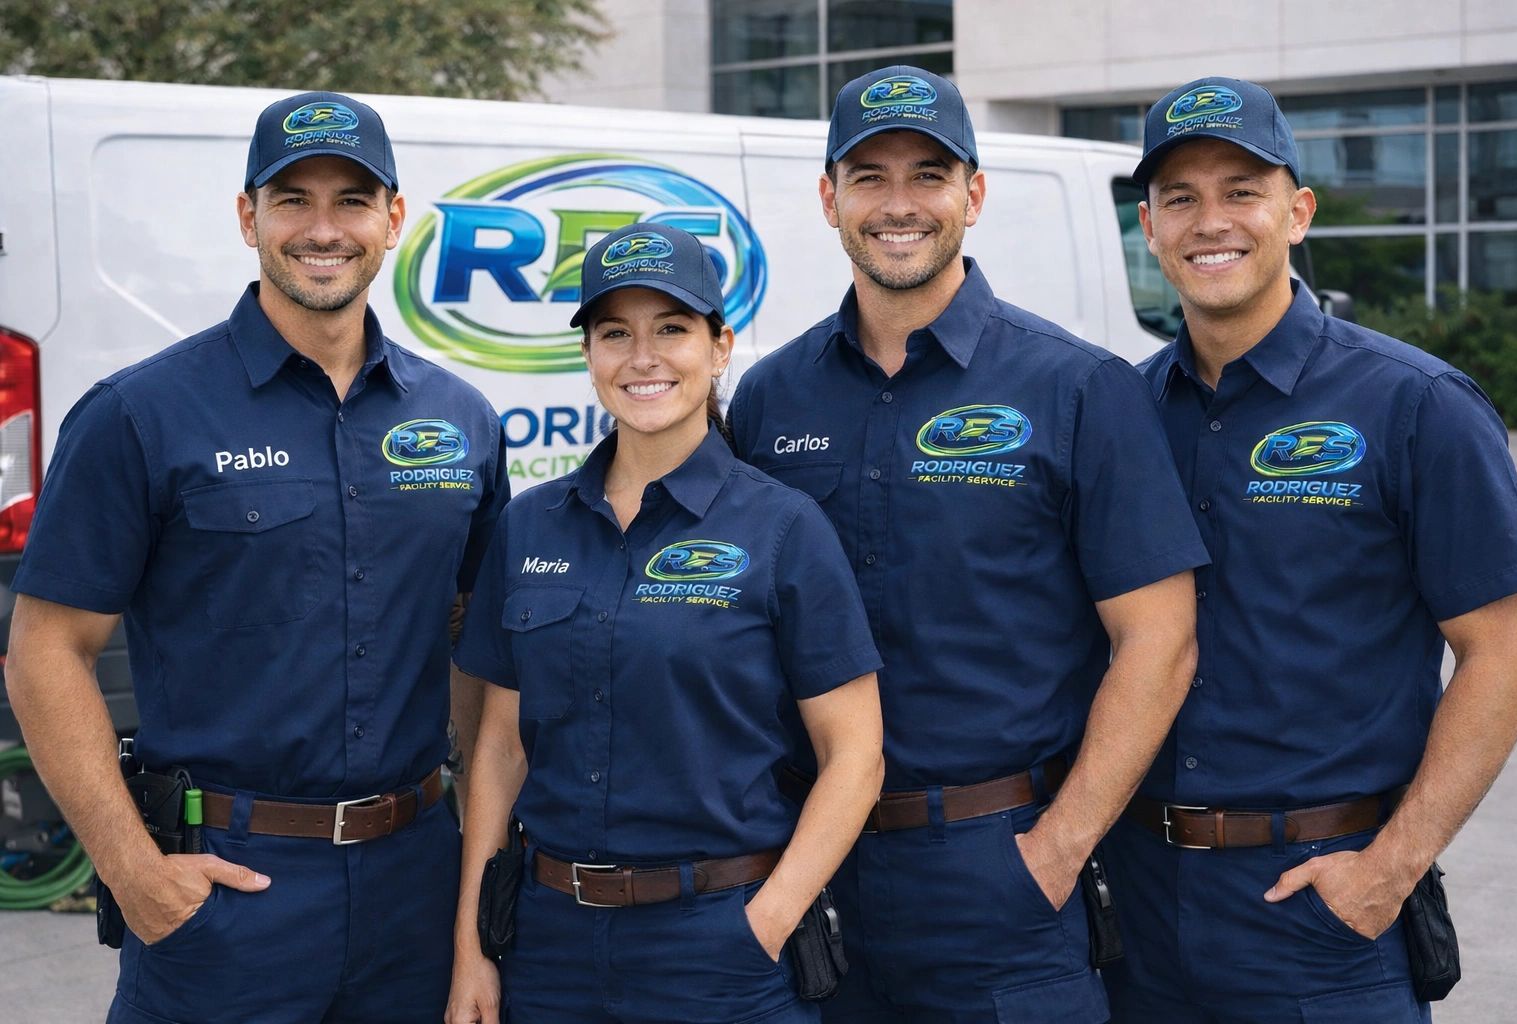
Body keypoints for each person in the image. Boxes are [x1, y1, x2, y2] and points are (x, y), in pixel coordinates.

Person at [3, 91, 509, 1023]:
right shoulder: (139, 415)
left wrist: (479, 873)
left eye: (353, 199)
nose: (324, 228)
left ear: (394, 219)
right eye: (292, 199)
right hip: (227, 897)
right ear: (249, 217)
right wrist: (133, 872)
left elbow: (479, 651)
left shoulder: (463, 423)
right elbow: (46, 652)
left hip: (416, 886)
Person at [727, 66, 1209, 1022]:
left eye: (929, 175)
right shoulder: (772, 398)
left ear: (973, 196)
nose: (898, 205)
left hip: (1002, 869)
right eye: (868, 177)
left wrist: (1060, 845)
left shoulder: (1076, 389)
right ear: (829, 199)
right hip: (813, 860)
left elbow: (1161, 639)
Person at [1100, 75, 1517, 1023]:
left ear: (1297, 212)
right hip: (1136, 914)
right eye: (1181, 197)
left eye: (1241, 191)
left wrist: (1391, 867)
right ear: (1151, 226)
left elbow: (1509, 649)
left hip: (1324, 913)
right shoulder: (1118, 414)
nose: (1210, 221)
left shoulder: (1414, 406)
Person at [445, 222, 886, 1024]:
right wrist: (474, 945)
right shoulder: (531, 525)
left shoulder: (783, 529)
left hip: (719, 944)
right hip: (548, 947)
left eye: (672, 330)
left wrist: (769, 920)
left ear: (720, 349)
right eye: (615, 333)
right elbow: (500, 751)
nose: (642, 358)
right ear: (589, 356)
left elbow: (855, 754)